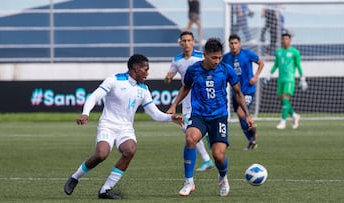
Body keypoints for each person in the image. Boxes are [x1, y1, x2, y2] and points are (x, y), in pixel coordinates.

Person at [63, 54, 183, 199]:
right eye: (146, 69)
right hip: (108, 125)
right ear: (136, 68)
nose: (148, 73)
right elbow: (95, 96)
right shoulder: (114, 80)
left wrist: (170, 117)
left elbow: (155, 114)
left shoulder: (144, 89)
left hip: (125, 128)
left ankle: (105, 190)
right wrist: (85, 113)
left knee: (130, 150)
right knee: (101, 154)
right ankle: (75, 177)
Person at [167, 38, 255, 197]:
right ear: (205, 55)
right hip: (199, 115)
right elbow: (185, 87)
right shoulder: (194, 70)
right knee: (190, 138)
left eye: (220, 57)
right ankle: (189, 182)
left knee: (218, 155)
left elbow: (238, 93)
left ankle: (223, 178)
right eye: (214, 58)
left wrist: (247, 116)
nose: (217, 61)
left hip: (219, 117)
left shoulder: (226, 69)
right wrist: (174, 105)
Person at [165, 31, 214, 171]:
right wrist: (168, 77)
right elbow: (170, 76)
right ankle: (207, 159)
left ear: (193, 42)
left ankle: (207, 143)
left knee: (194, 128)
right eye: (184, 41)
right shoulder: (176, 60)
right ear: (180, 43)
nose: (186, 43)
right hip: (187, 100)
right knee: (186, 129)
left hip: (202, 97)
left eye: (189, 40)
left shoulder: (201, 57)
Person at [222, 34, 264, 151]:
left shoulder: (247, 54)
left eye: (236, 43)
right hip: (235, 92)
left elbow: (261, 63)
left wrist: (255, 77)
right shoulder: (226, 58)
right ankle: (252, 139)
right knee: (241, 118)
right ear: (229, 45)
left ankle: (252, 138)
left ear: (239, 44)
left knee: (241, 113)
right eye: (231, 43)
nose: (234, 45)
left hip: (248, 90)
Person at [265, 33, 307, 129]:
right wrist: (269, 74)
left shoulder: (295, 52)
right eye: (283, 39)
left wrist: (302, 78)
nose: (285, 41)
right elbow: (276, 65)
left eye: (287, 39)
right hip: (281, 79)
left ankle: (283, 122)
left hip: (289, 79)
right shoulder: (278, 52)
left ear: (290, 40)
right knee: (282, 101)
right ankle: (294, 115)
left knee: (285, 98)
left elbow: (298, 65)